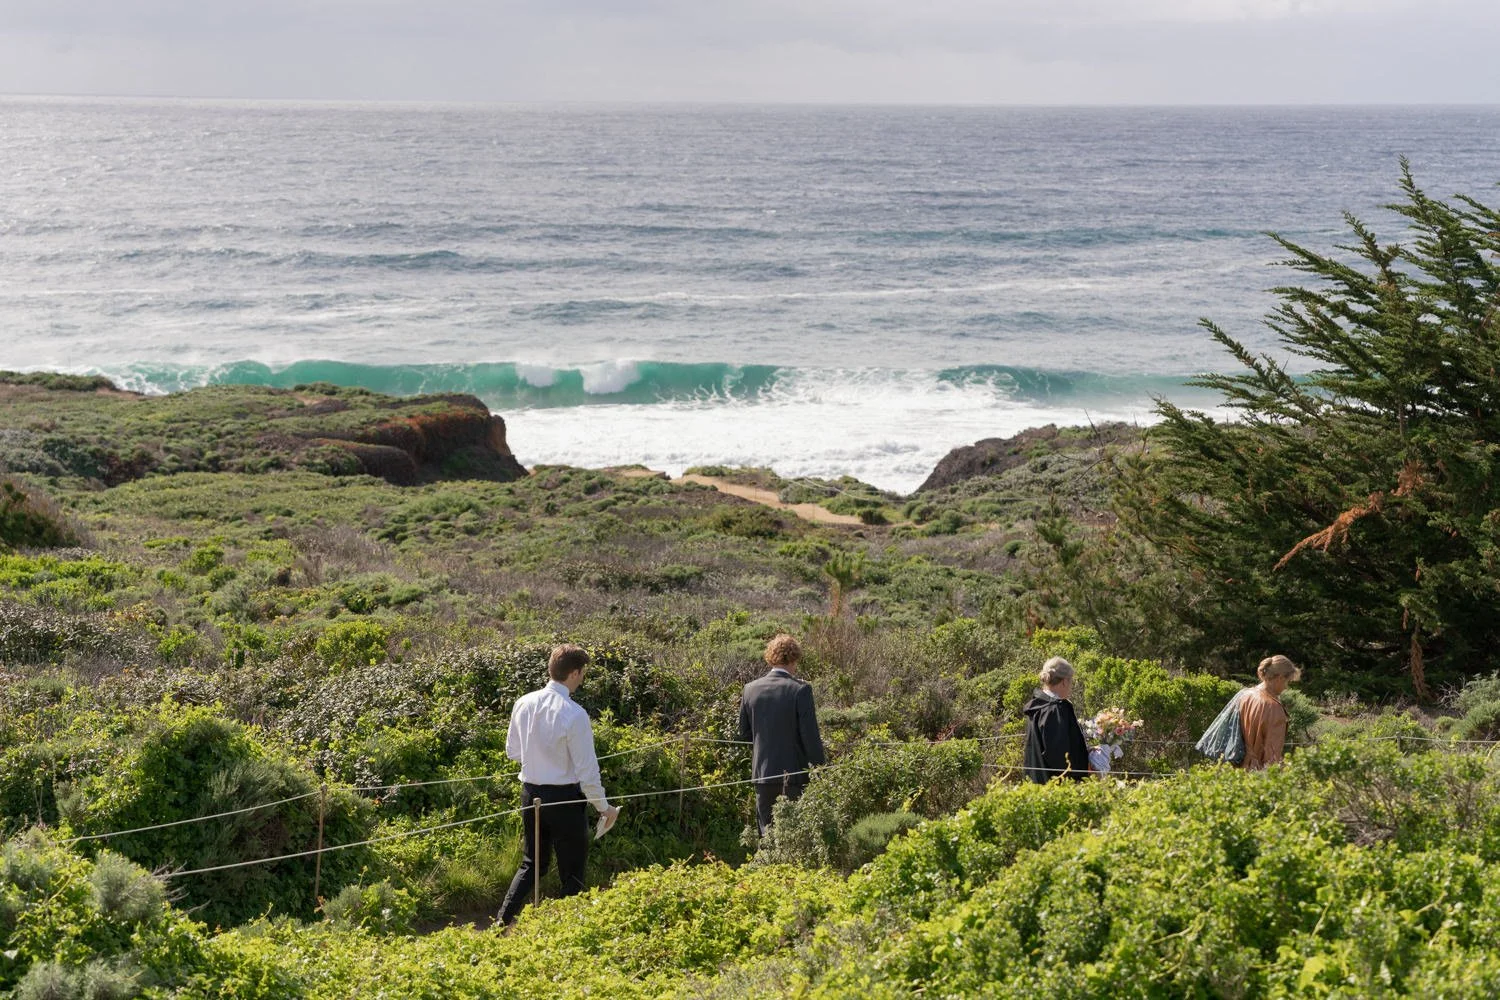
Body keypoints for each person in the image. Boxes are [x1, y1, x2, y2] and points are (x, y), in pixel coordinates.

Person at [497, 644, 619, 926]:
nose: (583, 678)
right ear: (574, 673)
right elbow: (587, 772)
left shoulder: (524, 702)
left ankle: (500, 924)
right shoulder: (574, 714)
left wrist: (539, 755)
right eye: (583, 673)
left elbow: (513, 752)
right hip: (565, 798)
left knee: (532, 864)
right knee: (572, 870)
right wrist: (604, 808)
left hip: (530, 794)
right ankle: (562, 933)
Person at [738, 634, 826, 835]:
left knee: (767, 836)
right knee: (794, 836)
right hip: (794, 776)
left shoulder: (750, 689)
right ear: (794, 658)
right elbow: (810, 738)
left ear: (771, 657)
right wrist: (821, 770)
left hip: (762, 775)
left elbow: (744, 734)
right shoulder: (800, 690)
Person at [1021, 656, 1091, 783]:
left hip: (1038, 783)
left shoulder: (1040, 705)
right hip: (1056, 788)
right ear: (1064, 681)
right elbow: (1058, 755)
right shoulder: (1053, 710)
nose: (1071, 686)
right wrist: (1074, 781)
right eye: (1071, 682)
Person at [1240, 654, 1300, 771]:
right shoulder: (1274, 708)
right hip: (1258, 773)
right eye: (1288, 681)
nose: (1286, 687)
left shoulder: (1246, 695)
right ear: (1280, 678)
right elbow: (1272, 756)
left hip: (1239, 769)